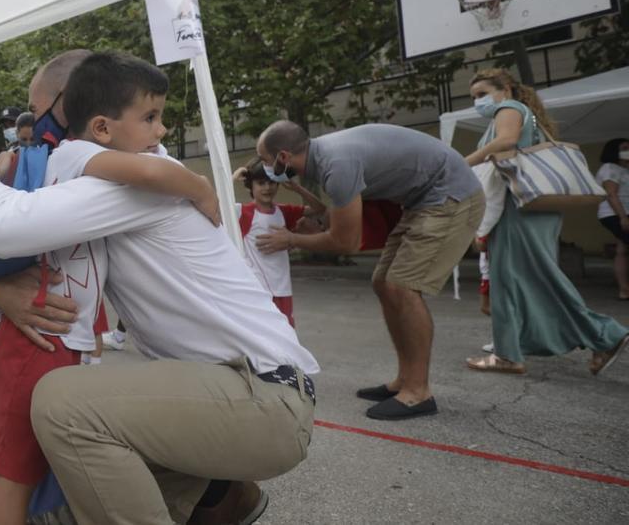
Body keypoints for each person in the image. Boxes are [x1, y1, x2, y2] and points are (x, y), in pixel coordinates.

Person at [0, 51, 316, 525]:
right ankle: (223, 495)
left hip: (260, 399)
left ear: (74, 114)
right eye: (150, 117)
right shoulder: (128, 174)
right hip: (244, 388)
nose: (31, 124)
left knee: (62, 404)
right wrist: (1, 291)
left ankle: (222, 491)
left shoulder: (119, 182)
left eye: (39, 107)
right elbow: (57, 258)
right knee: (65, 504)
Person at [253, 120, 482, 420]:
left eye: (267, 161)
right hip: (422, 201)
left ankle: (418, 391)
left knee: (402, 286)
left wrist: (293, 239)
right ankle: (405, 380)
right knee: (383, 283)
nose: (266, 169)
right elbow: (335, 219)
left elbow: (345, 242)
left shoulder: (337, 165)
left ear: (283, 157)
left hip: (450, 197)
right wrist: (317, 226)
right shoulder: (326, 158)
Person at [461, 69, 629, 376]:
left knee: (534, 278)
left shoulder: (509, 108)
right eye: (473, 97)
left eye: (483, 94)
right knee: (513, 281)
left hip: (520, 207)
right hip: (529, 206)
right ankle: (509, 353)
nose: (478, 102)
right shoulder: (522, 112)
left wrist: (464, 162)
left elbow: (506, 142)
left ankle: (607, 335)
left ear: (506, 89)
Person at [235, 158, 327, 327]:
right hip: (257, 292)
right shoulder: (243, 212)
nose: (267, 187)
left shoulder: (284, 211)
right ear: (251, 186)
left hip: (283, 289)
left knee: (286, 338)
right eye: (261, 183)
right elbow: (215, 203)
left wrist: (297, 188)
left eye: (271, 183)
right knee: (260, 340)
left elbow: (319, 209)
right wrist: (233, 178)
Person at [595, 137, 629, 301]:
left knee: (622, 251)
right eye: (624, 147)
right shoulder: (610, 168)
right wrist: (622, 217)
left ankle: (624, 290)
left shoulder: (624, 169)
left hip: (623, 213)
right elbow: (611, 194)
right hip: (615, 214)